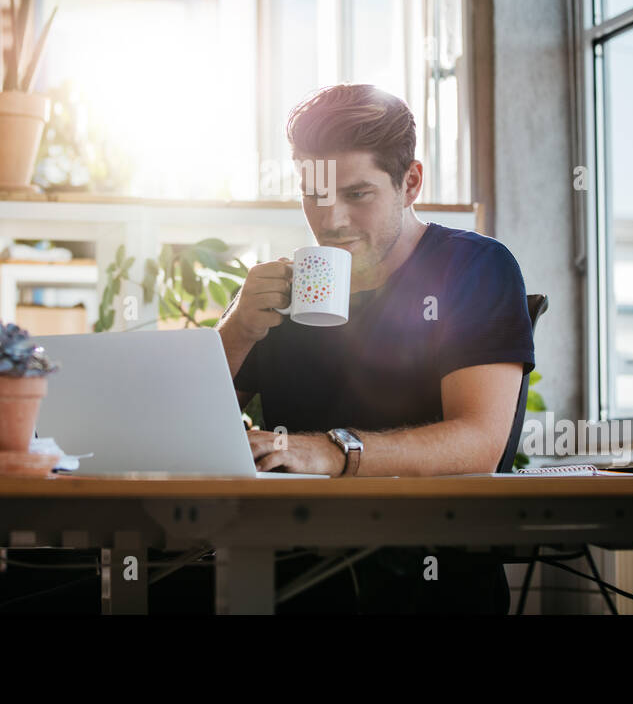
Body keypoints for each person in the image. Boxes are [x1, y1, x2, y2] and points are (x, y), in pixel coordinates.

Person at [216, 83, 536, 613]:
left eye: (357, 194)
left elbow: (480, 443)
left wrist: (329, 452)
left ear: (410, 183)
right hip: (284, 570)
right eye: (314, 195)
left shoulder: (473, 268)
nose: (331, 218)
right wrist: (237, 329)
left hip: (430, 573)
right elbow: (190, 425)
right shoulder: (277, 293)